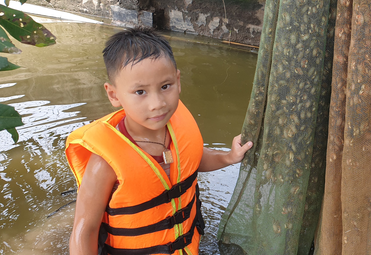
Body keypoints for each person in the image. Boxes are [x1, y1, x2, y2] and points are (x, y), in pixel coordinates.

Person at [65, 26, 253, 255]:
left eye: (165, 87)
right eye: (140, 92)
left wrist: (228, 157)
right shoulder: (104, 162)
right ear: (114, 95)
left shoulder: (175, 128)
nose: (157, 103)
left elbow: (192, 158)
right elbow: (84, 230)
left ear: (178, 81)